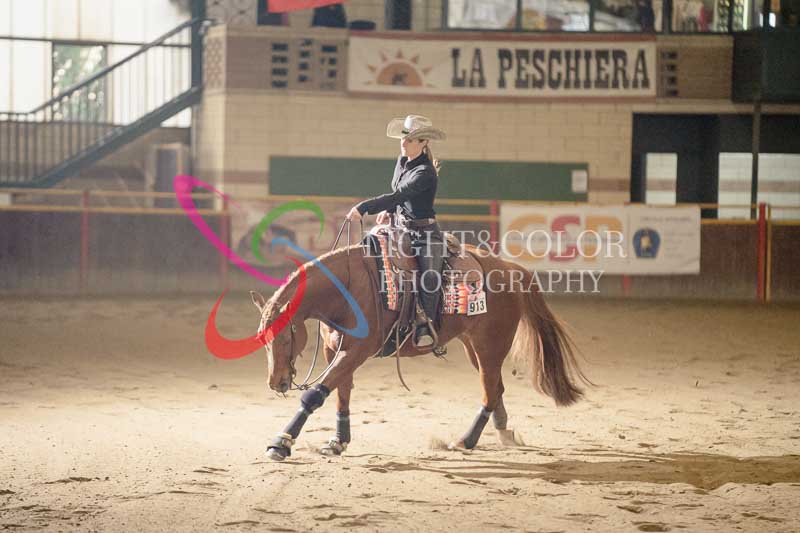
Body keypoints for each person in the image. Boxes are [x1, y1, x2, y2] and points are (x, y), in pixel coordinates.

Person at [347, 115, 447, 349]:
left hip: (425, 234)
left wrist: (365, 207)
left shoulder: (425, 172)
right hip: (400, 228)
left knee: (430, 277)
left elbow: (400, 194)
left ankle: (426, 325)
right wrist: (390, 211)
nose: (404, 142)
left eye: (410, 139)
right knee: (371, 248)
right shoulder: (402, 162)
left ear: (423, 142)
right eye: (404, 137)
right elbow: (400, 196)